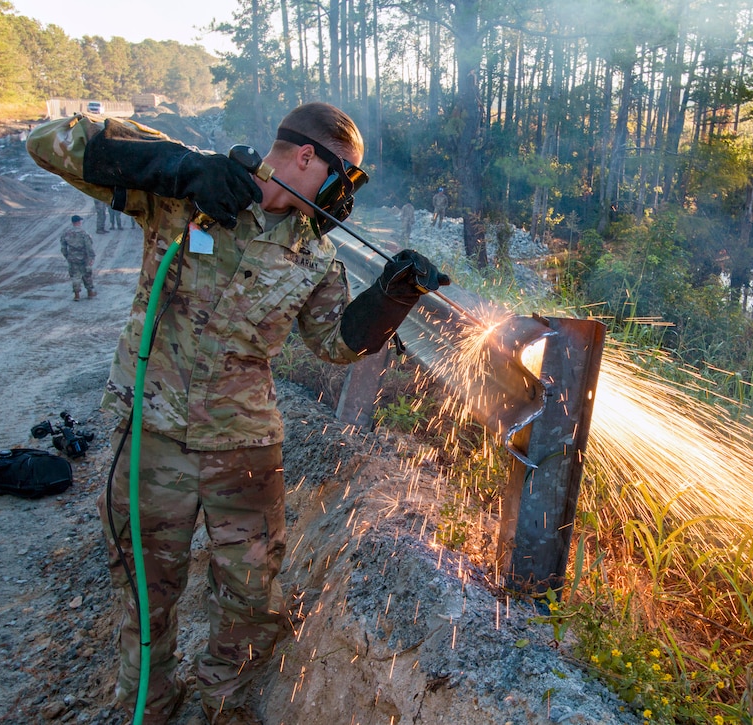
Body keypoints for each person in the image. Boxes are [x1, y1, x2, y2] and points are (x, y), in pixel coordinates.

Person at [27, 102, 449, 725]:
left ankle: (222, 707)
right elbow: (49, 141)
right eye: (346, 177)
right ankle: (148, 706)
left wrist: (395, 295)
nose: (344, 195)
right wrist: (180, 167)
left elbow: (334, 344)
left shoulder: (314, 256)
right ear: (308, 158)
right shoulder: (184, 197)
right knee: (147, 593)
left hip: (245, 448)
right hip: (154, 438)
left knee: (251, 599)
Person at [60, 214, 95, 301]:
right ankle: (90, 292)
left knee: (75, 276)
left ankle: (77, 295)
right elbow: (89, 246)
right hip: (84, 257)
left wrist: (67, 256)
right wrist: (91, 257)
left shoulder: (66, 233)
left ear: (72, 222)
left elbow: (63, 247)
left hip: (72, 257)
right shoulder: (84, 233)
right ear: (79, 222)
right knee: (87, 274)